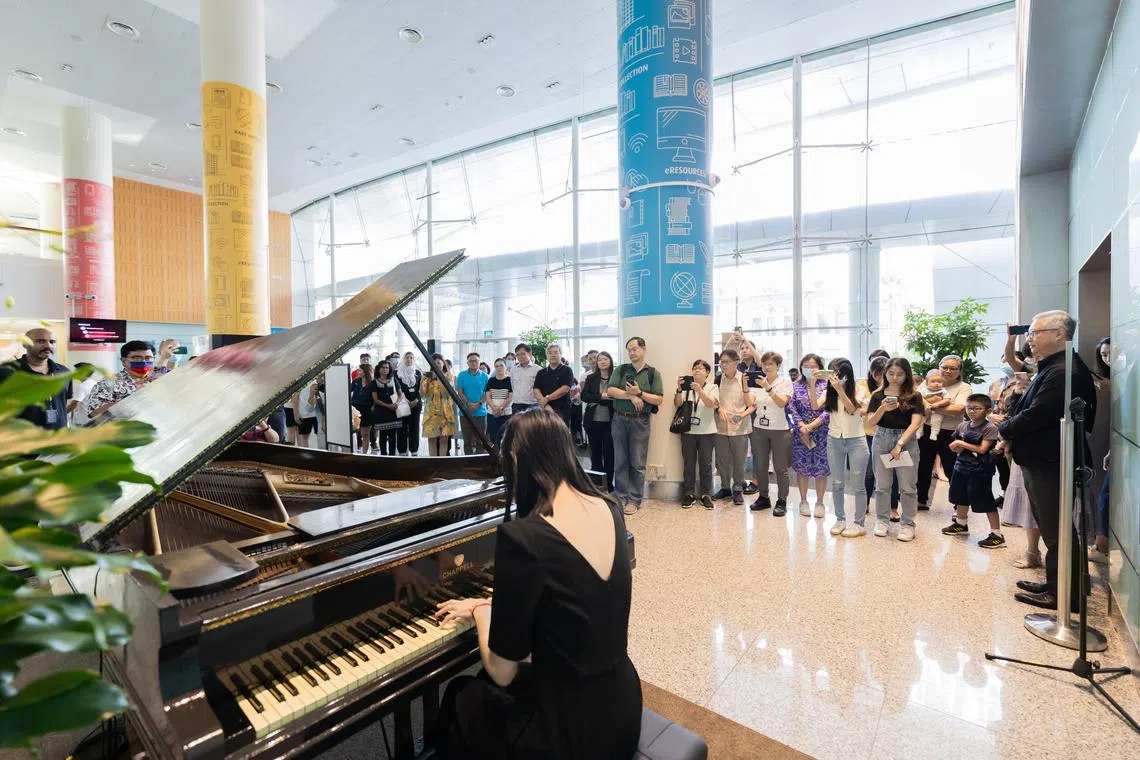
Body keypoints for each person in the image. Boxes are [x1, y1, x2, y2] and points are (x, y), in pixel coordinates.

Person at [434, 410, 641, 759]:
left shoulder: (525, 537)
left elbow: (502, 671)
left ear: (516, 460)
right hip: (621, 709)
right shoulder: (610, 506)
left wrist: (483, 609)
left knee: (461, 693)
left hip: (570, 738)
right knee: (487, 687)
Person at [999, 310, 1096, 612]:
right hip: (1045, 458)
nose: (1030, 338)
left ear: (1058, 334)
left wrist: (1004, 427)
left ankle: (1065, 594)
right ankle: (1058, 584)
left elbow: (1040, 413)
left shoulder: (1065, 371)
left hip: (1051, 460)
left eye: (1036, 333)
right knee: (1055, 528)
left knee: (1058, 531)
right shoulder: (1053, 366)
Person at [865, 358, 925, 541]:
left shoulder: (914, 396)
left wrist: (900, 444)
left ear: (907, 374)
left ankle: (908, 524)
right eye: (891, 373)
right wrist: (882, 408)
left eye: (900, 374)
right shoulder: (877, 395)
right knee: (882, 485)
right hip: (882, 438)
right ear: (885, 374)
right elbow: (870, 422)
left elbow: (916, 423)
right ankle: (882, 520)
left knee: (908, 486)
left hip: (906, 439)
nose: (895, 378)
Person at [607, 337, 664, 515]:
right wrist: (631, 396)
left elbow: (658, 399)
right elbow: (611, 390)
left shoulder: (653, 373)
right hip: (619, 419)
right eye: (629, 350)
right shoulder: (621, 369)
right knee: (620, 461)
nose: (632, 353)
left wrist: (639, 393)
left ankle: (634, 500)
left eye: (634, 349)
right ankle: (621, 497)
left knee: (637, 463)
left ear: (643, 349)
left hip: (640, 421)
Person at [941, 394, 1004, 548]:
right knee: (960, 497)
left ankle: (997, 534)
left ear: (988, 410)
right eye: (969, 408)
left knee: (985, 501)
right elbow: (956, 444)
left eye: (977, 408)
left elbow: (982, 449)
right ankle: (961, 524)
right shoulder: (962, 425)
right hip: (961, 467)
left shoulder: (990, 428)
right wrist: (955, 446)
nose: (972, 411)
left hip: (980, 470)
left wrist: (961, 443)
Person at [817, 358, 868, 537]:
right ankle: (840, 519)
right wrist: (811, 383)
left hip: (856, 440)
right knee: (837, 483)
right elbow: (815, 404)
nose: (834, 375)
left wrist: (840, 389)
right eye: (831, 371)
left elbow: (852, 408)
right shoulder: (828, 390)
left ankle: (859, 523)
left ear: (846, 373)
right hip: (834, 439)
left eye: (837, 372)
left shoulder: (860, 389)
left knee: (858, 484)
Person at [916, 355, 973, 510]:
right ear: (939, 367)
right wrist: (939, 405)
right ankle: (921, 500)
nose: (948, 371)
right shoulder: (927, 381)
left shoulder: (964, 387)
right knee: (923, 466)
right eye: (944, 367)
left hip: (950, 433)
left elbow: (959, 409)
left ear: (959, 371)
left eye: (953, 368)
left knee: (952, 468)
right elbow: (916, 399)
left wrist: (930, 406)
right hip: (926, 430)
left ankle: (959, 505)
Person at [747, 351, 793, 514]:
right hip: (759, 428)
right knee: (760, 466)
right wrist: (745, 389)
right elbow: (750, 403)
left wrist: (768, 388)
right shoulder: (756, 382)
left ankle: (782, 500)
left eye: (770, 364)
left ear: (778, 366)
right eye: (764, 364)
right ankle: (764, 497)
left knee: (780, 467)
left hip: (779, 429)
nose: (767, 367)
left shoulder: (785, 383)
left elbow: (781, 403)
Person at [0, 328, 72, 430]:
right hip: (21, 438)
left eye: (52, 342)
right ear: (25, 344)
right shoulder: (6, 371)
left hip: (57, 437)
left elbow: (64, 403)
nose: (48, 346)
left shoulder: (64, 372)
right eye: (40, 341)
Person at [788, 354, 830, 517]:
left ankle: (820, 503)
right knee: (802, 468)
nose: (809, 369)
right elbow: (792, 408)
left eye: (813, 366)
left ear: (820, 367)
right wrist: (802, 427)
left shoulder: (827, 385)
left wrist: (811, 427)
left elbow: (829, 410)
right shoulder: (795, 385)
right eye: (806, 366)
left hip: (822, 432)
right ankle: (803, 501)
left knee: (821, 469)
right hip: (801, 433)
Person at [675, 359, 720, 510]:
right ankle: (689, 493)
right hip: (688, 431)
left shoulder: (713, 387)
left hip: (707, 431)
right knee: (689, 464)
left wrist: (699, 390)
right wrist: (679, 389)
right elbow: (677, 404)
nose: (697, 370)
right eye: (695, 368)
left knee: (706, 464)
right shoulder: (687, 387)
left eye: (701, 368)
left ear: (707, 373)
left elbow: (711, 404)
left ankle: (706, 494)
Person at [860, 357, 900, 521]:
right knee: (869, 472)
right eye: (878, 374)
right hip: (869, 433)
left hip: (894, 434)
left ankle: (893, 508)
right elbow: (860, 407)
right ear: (872, 373)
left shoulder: (898, 388)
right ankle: (865, 503)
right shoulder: (863, 386)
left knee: (893, 472)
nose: (882, 378)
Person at [712, 349, 754, 506]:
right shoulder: (717, 379)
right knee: (722, 461)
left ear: (737, 362)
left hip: (739, 427)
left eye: (726, 362)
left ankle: (737, 489)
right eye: (721, 362)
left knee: (739, 461)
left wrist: (742, 415)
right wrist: (717, 408)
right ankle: (724, 488)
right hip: (721, 427)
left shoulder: (744, 379)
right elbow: (713, 401)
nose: (723, 365)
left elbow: (751, 404)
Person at [84, 340, 160, 418]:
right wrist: (131, 397)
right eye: (137, 358)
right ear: (123, 361)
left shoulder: (156, 380)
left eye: (148, 358)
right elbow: (94, 414)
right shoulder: (108, 383)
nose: (143, 362)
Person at [1088, 336, 1112, 564]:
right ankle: (1102, 545)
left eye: (1111, 353)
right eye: (1104, 355)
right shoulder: (1108, 381)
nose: (1108, 359)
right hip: (1113, 444)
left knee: (1106, 496)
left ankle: (1103, 546)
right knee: (1105, 496)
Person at [580, 351, 616, 492]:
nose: (602, 361)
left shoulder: (616, 378)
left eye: (605, 359)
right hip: (593, 421)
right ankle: (597, 484)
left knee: (609, 454)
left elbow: (616, 399)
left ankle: (608, 484)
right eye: (600, 359)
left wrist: (598, 399)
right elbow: (584, 396)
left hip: (611, 422)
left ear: (610, 361)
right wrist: (602, 396)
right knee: (595, 454)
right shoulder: (591, 378)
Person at [421, 354, 458, 457]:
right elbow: (422, 394)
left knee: (444, 440)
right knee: (431, 440)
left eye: (439, 362)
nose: (437, 364)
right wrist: (424, 380)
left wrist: (438, 377)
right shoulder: (426, 377)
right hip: (431, 413)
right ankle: (433, 463)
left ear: (443, 363)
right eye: (434, 362)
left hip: (445, 412)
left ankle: (442, 463)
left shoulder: (449, 376)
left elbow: (449, 392)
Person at [456, 352, 490, 454]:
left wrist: (478, 404)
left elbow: (487, 393)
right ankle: (468, 462)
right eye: (471, 361)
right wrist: (468, 403)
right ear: (467, 363)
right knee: (467, 440)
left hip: (481, 413)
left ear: (479, 362)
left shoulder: (485, 376)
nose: (473, 363)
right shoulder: (462, 375)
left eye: (476, 360)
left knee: (481, 440)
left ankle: (478, 462)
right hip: (465, 412)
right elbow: (460, 391)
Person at [534, 344, 575, 428]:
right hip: (545, 409)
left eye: (556, 352)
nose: (553, 355)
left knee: (561, 437)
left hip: (562, 410)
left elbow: (565, 389)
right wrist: (545, 404)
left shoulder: (567, 370)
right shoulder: (541, 372)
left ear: (561, 354)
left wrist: (547, 398)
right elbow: (536, 389)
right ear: (547, 356)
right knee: (545, 436)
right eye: (550, 353)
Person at [371, 359, 402, 455]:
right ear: (379, 369)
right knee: (383, 436)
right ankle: (383, 456)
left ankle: (393, 457)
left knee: (393, 436)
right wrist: (388, 406)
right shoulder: (374, 383)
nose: (385, 369)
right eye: (383, 367)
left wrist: (396, 403)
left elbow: (400, 395)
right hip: (381, 412)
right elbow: (375, 400)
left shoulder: (394, 380)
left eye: (387, 367)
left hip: (393, 411)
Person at [395, 352, 423, 455]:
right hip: (402, 402)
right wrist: (405, 400)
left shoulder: (418, 373)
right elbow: (396, 388)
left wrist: (416, 400)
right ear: (403, 359)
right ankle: (402, 451)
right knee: (402, 427)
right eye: (407, 357)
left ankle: (414, 450)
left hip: (416, 403)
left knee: (414, 427)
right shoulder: (397, 373)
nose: (409, 359)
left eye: (411, 357)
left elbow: (421, 388)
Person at [483, 358, 513, 448]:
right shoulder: (491, 380)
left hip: (506, 413)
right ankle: (495, 459)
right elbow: (488, 395)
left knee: (505, 437)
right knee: (493, 437)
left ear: (505, 367)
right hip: (492, 412)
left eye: (501, 365)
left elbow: (510, 396)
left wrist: (501, 408)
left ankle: (504, 459)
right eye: (496, 366)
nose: (499, 368)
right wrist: (494, 408)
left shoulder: (509, 380)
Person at [351, 359, 376, 453]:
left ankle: (365, 453)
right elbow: (348, 391)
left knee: (365, 433)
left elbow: (376, 397)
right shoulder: (355, 381)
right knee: (356, 432)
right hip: (356, 410)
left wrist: (373, 407)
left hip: (367, 410)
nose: (358, 372)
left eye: (360, 370)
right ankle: (356, 450)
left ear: (365, 371)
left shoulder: (372, 383)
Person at [509, 344, 540, 414]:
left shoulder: (538, 369)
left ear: (529, 354)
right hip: (516, 405)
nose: (520, 357)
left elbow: (540, 388)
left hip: (532, 405)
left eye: (523, 354)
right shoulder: (513, 369)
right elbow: (512, 386)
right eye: (517, 355)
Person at [292, 380, 320, 448]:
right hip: (304, 414)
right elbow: (295, 396)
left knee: (320, 438)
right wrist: (296, 413)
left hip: (318, 414)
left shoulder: (318, 380)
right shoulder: (301, 379)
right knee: (304, 439)